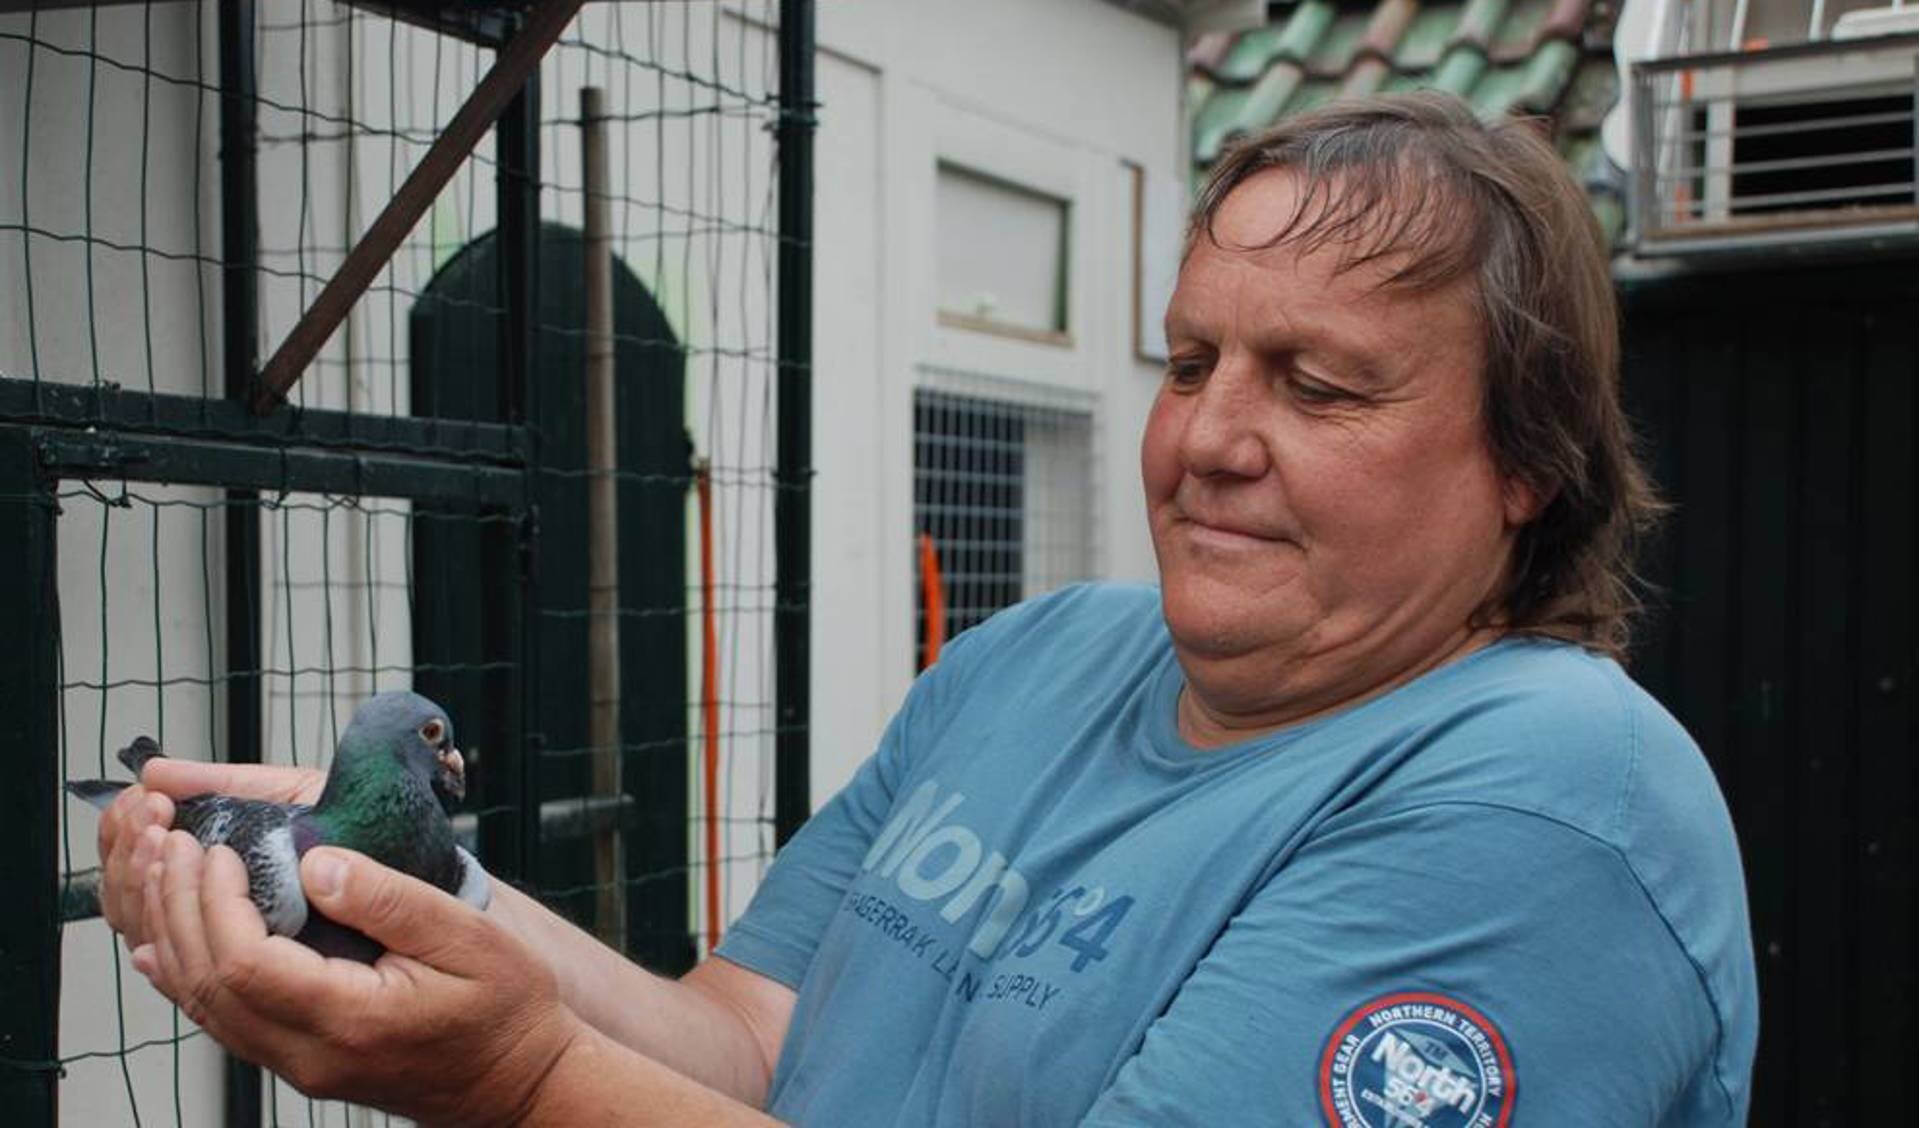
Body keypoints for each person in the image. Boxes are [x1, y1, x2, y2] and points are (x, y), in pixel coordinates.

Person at [98, 92, 1757, 1125]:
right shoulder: (1037, 660)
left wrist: (518, 1082)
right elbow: (744, 1048)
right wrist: (401, 877)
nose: (1209, 443)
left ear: (1526, 460)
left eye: (1319, 387)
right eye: (1190, 364)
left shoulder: (1543, 805)